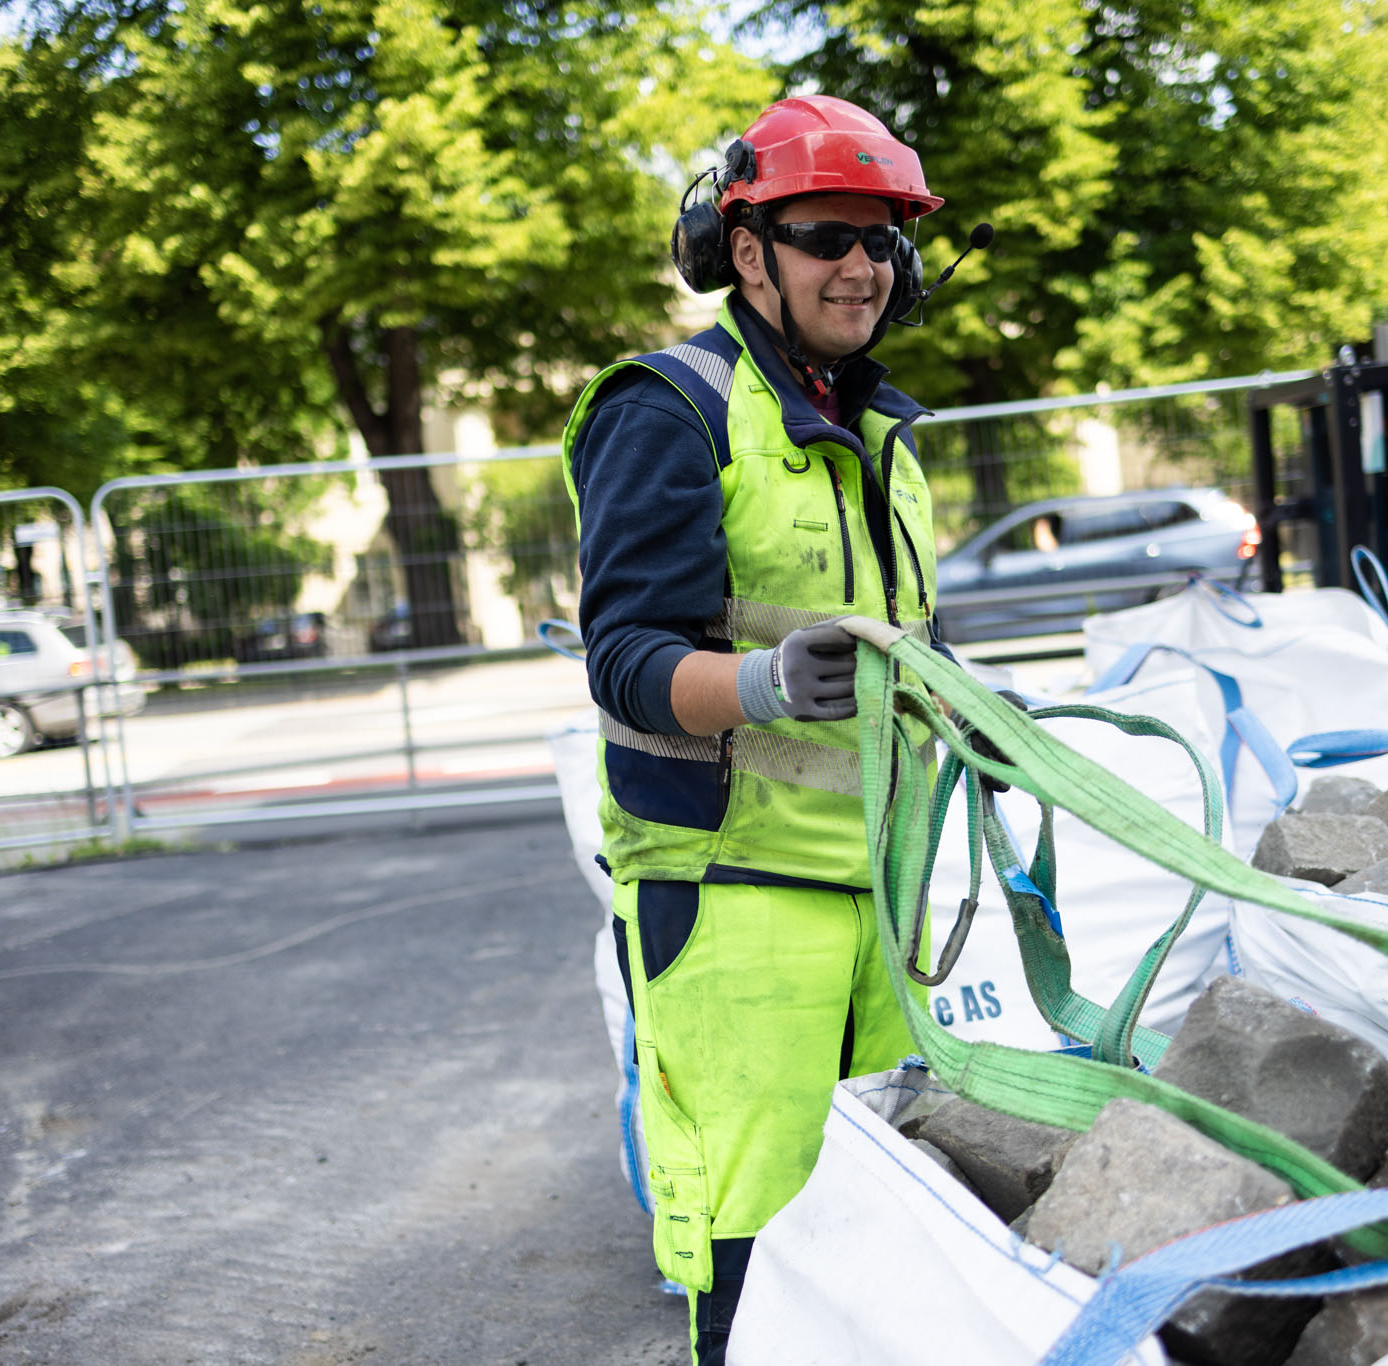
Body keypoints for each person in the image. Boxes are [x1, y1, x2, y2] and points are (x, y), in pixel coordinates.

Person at [560, 95, 953, 1364]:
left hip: (881, 895)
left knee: (890, 1237)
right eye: (826, 236)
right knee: (758, 1253)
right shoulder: (668, 408)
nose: (861, 266)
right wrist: (764, 684)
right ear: (747, 252)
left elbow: (908, 637)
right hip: (735, 901)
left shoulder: (880, 427)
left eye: (881, 240)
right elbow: (625, 661)